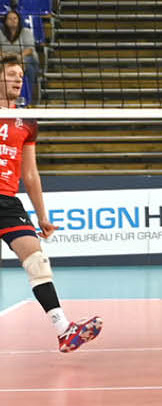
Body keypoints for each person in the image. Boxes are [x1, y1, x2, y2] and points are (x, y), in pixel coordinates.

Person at [0, 55, 101, 352]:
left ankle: (64, 329)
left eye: (21, 75)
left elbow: (30, 173)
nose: (18, 80)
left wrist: (42, 216)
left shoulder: (27, 121)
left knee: (37, 259)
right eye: (11, 75)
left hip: (7, 202)